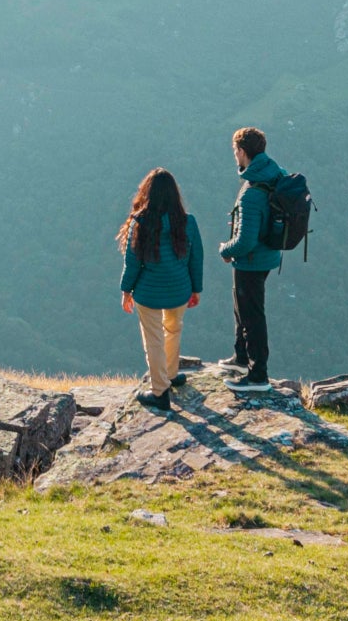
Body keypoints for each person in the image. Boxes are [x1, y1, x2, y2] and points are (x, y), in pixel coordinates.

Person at [118, 167, 203, 411]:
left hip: (149, 292)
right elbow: (196, 257)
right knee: (173, 330)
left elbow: (132, 261)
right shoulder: (188, 222)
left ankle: (159, 392)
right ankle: (172, 373)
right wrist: (196, 288)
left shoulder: (140, 223)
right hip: (179, 289)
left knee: (154, 340)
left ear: (148, 193)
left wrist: (126, 290)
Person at [215, 126, 283, 389]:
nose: (235, 156)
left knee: (252, 315)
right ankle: (240, 357)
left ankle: (257, 375)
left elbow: (245, 240)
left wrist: (225, 250)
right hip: (267, 256)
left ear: (242, 152)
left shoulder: (252, 192)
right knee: (242, 307)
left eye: (235, 152)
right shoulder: (274, 174)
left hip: (252, 261)